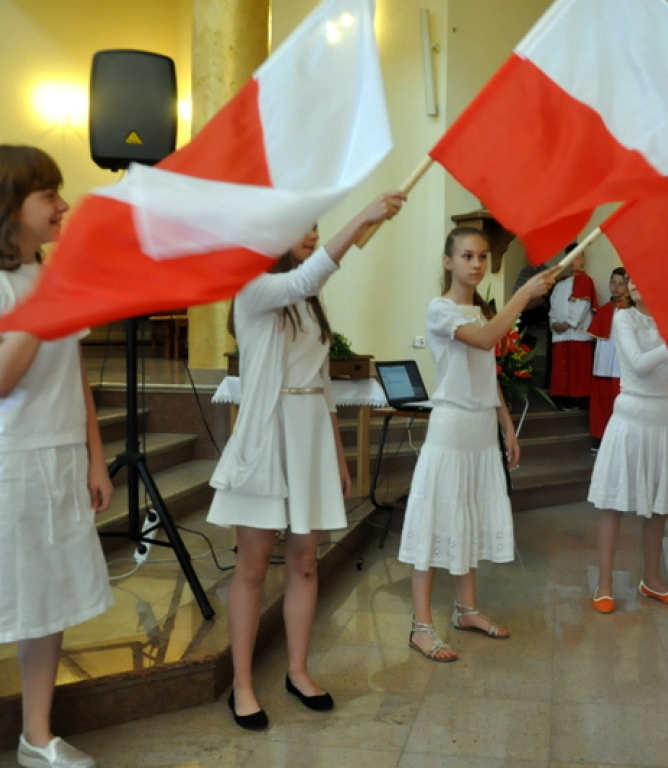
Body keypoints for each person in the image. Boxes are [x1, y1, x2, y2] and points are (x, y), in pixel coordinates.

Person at [207, 191, 405, 728]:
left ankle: (297, 670)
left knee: (305, 561)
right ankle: (243, 685)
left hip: (310, 436)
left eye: (317, 226)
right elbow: (304, 278)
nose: (313, 234)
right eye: (302, 227)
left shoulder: (307, 303)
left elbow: (319, 381)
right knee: (251, 567)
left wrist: (337, 456)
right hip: (267, 437)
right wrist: (363, 218)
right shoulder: (254, 288)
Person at [0, 145, 113, 768]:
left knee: (50, 602)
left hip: (62, 460)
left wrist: (96, 459)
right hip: (1, 467)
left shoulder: (48, 277)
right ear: (9, 206)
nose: (64, 205)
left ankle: (36, 735)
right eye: (50, 195)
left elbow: (73, 376)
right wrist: (46, 303)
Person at [399, 226, 557, 662]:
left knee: (468, 516)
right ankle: (420, 626)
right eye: (467, 256)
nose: (476, 264)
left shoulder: (482, 312)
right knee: (436, 523)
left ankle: (466, 610)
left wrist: (506, 424)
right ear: (449, 262)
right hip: (450, 430)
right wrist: (523, 294)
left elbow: (487, 371)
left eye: (482, 257)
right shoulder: (441, 310)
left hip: (481, 430)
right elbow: (488, 341)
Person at [587, 274, 668, 612]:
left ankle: (652, 580)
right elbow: (638, 364)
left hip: (664, 419)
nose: (633, 283)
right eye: (630, 278)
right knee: (613, 504)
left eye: (643, 276)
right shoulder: (623, 317)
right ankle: (604, 584)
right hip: (631, 417)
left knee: (658, 507)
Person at [548, 243, 596, 410]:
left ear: (582, 259)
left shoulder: (584, 280)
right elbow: (553, 305)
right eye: (570, 257)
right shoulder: (560, 283)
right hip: (560, 333)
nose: (573, 261)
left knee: (577, 368)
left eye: (576, 256)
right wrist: (554, 323)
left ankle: (578, 398)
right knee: (562, 367)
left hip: (576, 333)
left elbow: (582, 304)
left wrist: (568, 323)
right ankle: (562, 398)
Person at [587, 267, 628, 450]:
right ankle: (601, 437)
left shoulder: (633, 311)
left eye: (621, 284)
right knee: (602, 400)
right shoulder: (604, 310)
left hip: (623, 365)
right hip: (604, 363)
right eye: (613, 283)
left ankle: (620, 440)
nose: (616, 287)